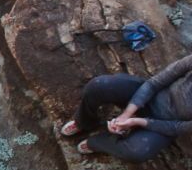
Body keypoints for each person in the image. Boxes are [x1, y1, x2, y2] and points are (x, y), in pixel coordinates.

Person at [60, 54, 192, 162]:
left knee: (137, 152)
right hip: (150, 96)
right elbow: (155, 83)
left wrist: (138, 121)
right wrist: (127, 113)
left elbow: (177, 128)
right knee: (98, 85)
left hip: (167, 124)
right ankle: (84, 122)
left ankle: (97, 143)